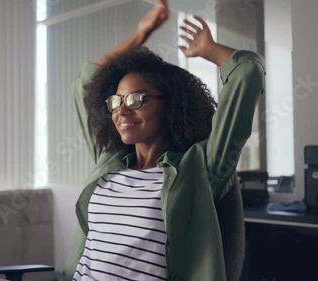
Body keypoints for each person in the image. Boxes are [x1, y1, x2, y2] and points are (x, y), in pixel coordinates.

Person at [61, 0, 265, 280]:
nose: (121, 109)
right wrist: (141, 33)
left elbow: (246, 72)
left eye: (136, 99)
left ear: (171, 105)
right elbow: (85, 82)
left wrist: (209, 49)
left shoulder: (201, 169)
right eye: (116, 100)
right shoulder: (108, 161)